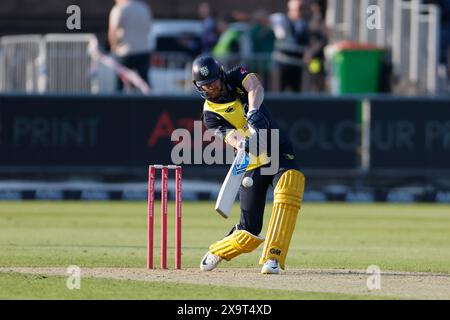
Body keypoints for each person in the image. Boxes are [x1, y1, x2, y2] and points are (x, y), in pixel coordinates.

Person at [191, 56, 306, 275]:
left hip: (276, 147)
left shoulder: (236, 76)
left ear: (221, 74)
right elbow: (230, 137)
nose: (211, 86)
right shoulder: (210, 116)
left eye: (214, 80)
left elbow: (255, 87)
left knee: (291, 183)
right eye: (205, 84)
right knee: (248, 233)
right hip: (250, 161)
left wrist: (253, 111)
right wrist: (243, 142)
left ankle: (273, 257)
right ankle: (219, 249)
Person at [108, 0, 152, 91]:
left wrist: (114, 47)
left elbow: (113, 31)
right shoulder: (144, 8)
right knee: (145, 84)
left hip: (124, 52)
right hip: (143, 50)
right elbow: (148, 28)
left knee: (119, 85)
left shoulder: (119, 9)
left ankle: (118, 104)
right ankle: (150, 104)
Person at [272, 0, 311, 92]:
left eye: (301, 9)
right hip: (282, 65)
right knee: (280, 92)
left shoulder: (304, 24)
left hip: (297, 65)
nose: (300, 11)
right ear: (289, 9)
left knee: (296, 94)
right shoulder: (282, 21)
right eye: (298, 9)